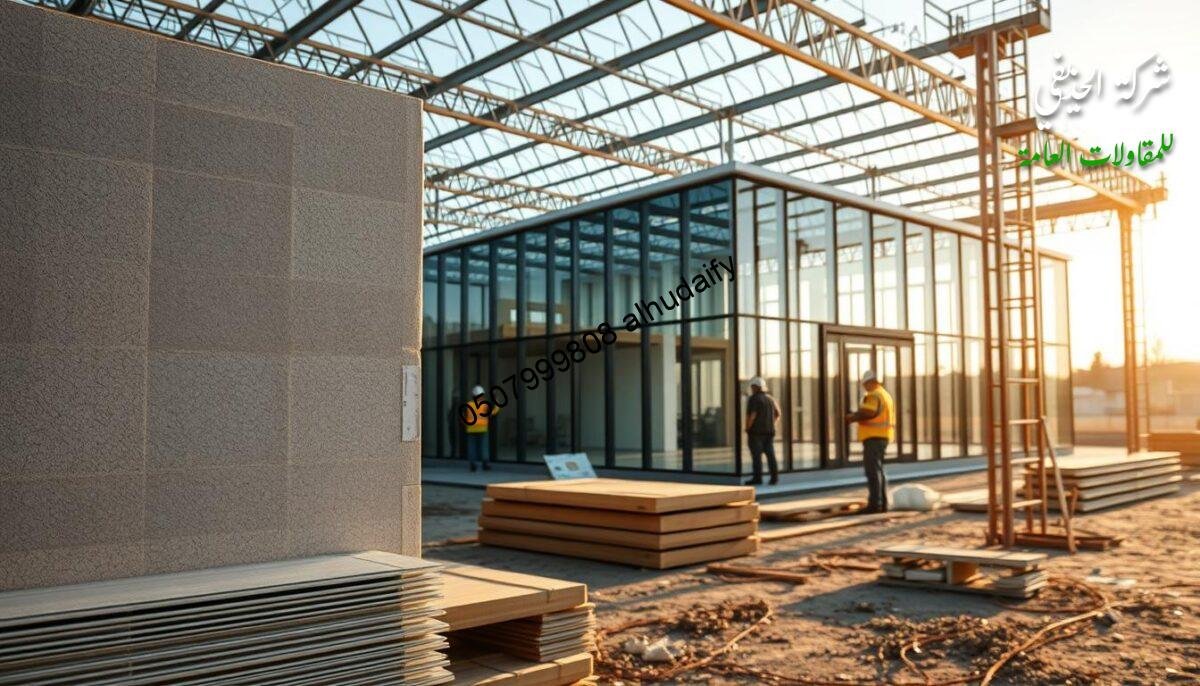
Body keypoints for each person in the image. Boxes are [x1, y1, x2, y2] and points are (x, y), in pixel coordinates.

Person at [844, 370, 895, 513]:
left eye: (865, 384)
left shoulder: (873, 395)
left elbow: (868, 412)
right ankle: (882, 503)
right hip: (883, 437)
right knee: (879, 471)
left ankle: (874, 504)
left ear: (870, 382)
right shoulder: (885, 394)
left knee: (872, 471)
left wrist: (851, 417)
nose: (864, 387)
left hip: (873, 438)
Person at [744, 376, 781, 486]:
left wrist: (747, 427)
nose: (751, 388)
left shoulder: (754, 399)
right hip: (769, 432)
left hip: (756, 433)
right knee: (771, 456)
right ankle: (774, 478)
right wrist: (772, 424)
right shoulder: (770, 398)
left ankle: (757, 478)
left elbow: (752, 415)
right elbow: (778, 413)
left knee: (756, 457)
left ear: (755, 387)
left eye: (752, 386)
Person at [464, 385, 499, 472]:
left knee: (472, 447)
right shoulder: (484, 405)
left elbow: (464, 417)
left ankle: (473, 464)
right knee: (484, 447)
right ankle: (485, 464)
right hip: (482, 428)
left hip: (471, 429)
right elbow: (493, 412)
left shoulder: (469, 404)